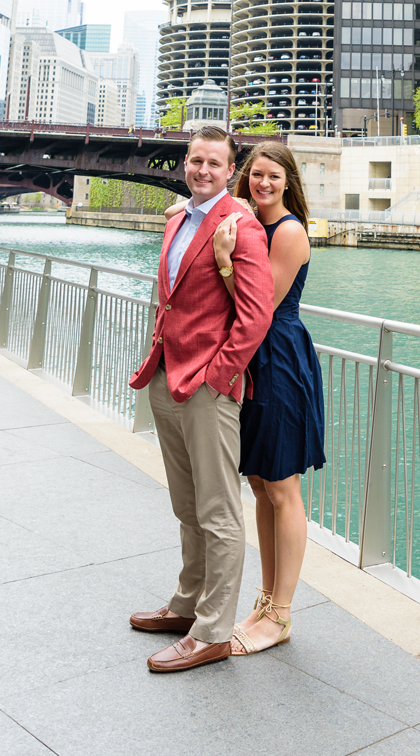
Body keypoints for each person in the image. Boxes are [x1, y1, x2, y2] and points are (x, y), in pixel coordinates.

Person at [126, 126, 275, 674]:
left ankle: (212, 631)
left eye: (215, 163)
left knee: (218, 512)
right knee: (186, 504)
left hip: (208, 388)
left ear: (229, 170)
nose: (203, 170)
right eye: (195, 161)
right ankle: (187, 604)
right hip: (167, 377)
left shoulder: (242, 227)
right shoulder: (177, 218)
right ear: (185, 164)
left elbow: (255, 316)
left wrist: (219, 374)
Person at [210, 141, 324, 654]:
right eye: (257, 175)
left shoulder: (290, 231)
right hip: (254, 361)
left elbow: (259, 306)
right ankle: (265, 601)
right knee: (259, 485)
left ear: (289, 181)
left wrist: (224, 264)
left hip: (278, 359)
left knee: (283, 489)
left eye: (274, 176)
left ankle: (281, 614)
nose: (264, 183)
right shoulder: (249, 221)